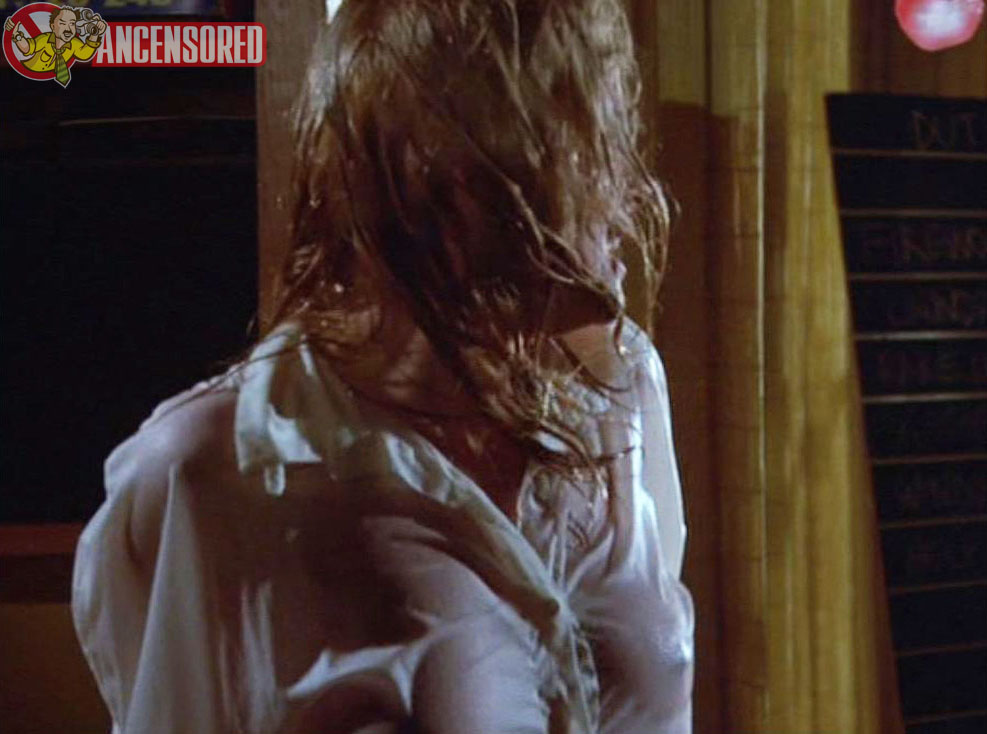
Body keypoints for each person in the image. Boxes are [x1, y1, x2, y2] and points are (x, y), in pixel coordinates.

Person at [71, 1, 694, 732]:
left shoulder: (622, 390)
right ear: (454, 180)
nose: (623, 194)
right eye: (584, 143)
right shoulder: (215, 472)